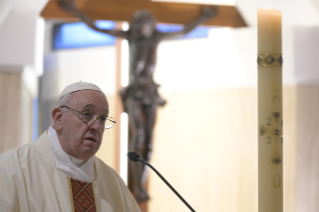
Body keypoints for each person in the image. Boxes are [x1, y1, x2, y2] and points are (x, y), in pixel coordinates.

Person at [58, 0, 217, 202]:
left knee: (149, 139)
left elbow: (184, 30)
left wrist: (204, 17)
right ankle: (138, 185)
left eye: (147, 23)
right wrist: (75, 11)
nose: (144, 27)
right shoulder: (131, 37)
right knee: (139, 135)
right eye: (140, 23)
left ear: (152, 25)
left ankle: (141, 183)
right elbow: (99, 28)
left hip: (151, 92)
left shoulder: (156, 37)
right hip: (134, 92)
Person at [0, 82, 141, 212]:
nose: (97, 126)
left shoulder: (113, 182)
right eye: (87, 114)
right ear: (58, 118)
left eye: (103, 119)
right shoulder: (11, 169)